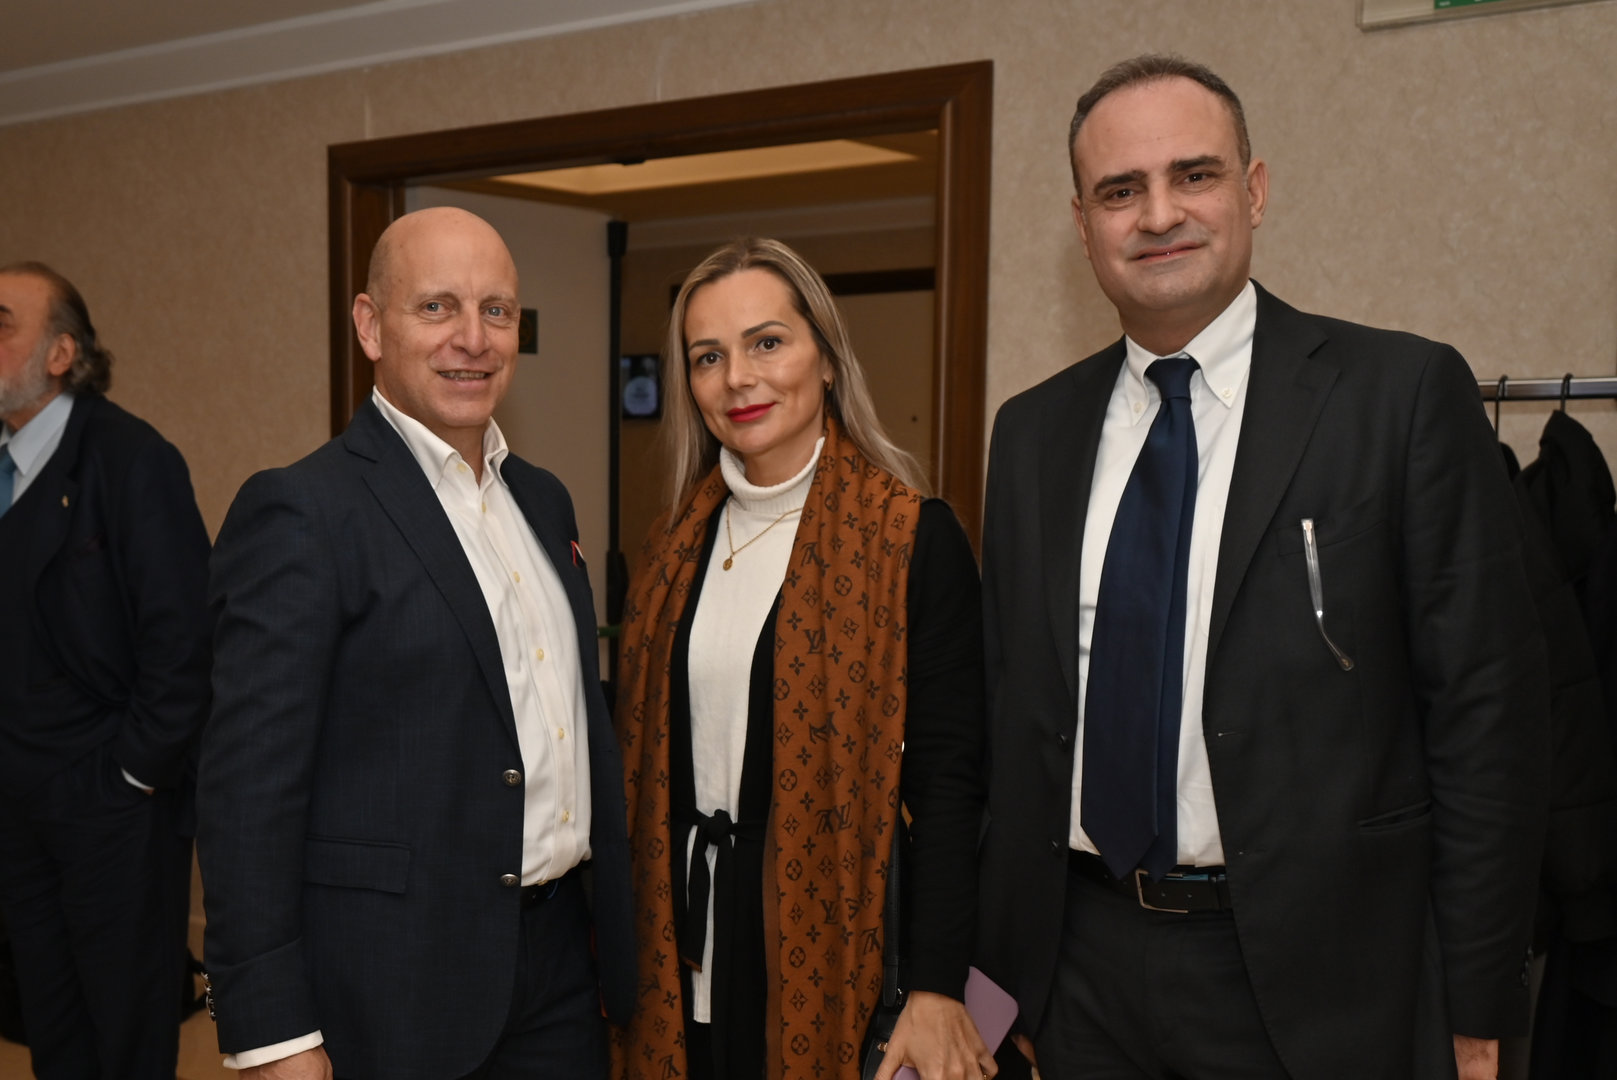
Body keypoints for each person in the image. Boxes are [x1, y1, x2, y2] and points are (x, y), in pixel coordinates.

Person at [975, 55, 1549, 1080]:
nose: (1159, 214)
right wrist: (1001, 980)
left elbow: (1485, 724)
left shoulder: (1399, 395)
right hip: (1078, 974)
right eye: (1120, 190)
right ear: (1082, 223)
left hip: (1322, 983)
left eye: (1192, 175)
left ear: (1253, 190)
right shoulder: (1029, 433)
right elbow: (1009, 720)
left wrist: (1476, 1008)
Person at [197, 207, 635, 1080]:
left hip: (558, 969)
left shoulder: (544, 501)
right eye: (436, 307)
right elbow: (248, 794)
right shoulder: (304, 512)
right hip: (391, 985)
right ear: (370, 326)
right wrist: (274, 1033)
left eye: (496, 310)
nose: (472, 339)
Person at [612, 238, 993, 1080]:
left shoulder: (910, 539)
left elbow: (949, 784)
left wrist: (935, 985)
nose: (737, 379)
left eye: (766, 343)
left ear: (825, 357)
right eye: (708, 357)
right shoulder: (671, 547)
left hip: (828, 952)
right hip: (678, 953)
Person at [0, 261, 211, 1078]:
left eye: (2, 325)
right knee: (49, 1023)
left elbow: (184, 640)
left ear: (61, 354)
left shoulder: (132, 460)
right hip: (18, 802)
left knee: (125, 1030)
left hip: (113, 806)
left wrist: (131, 777)